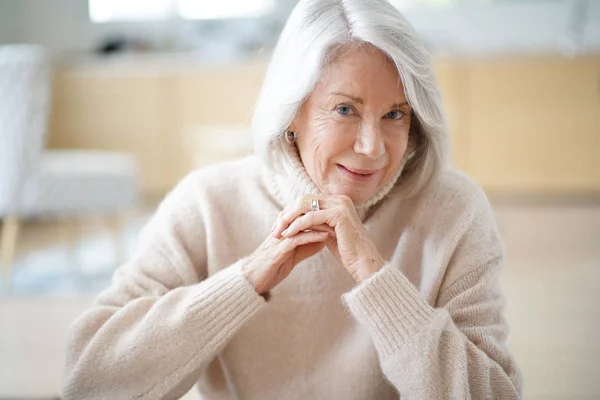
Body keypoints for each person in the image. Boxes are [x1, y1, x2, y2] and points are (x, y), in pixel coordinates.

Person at [62, 0, 523, 398]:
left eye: (395, 114)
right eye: (345, 109)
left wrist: (376, 277)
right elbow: (89, 382)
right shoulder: (206, 202)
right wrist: (247, 280)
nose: (373, 147)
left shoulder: (454, 209)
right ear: (291, 114)